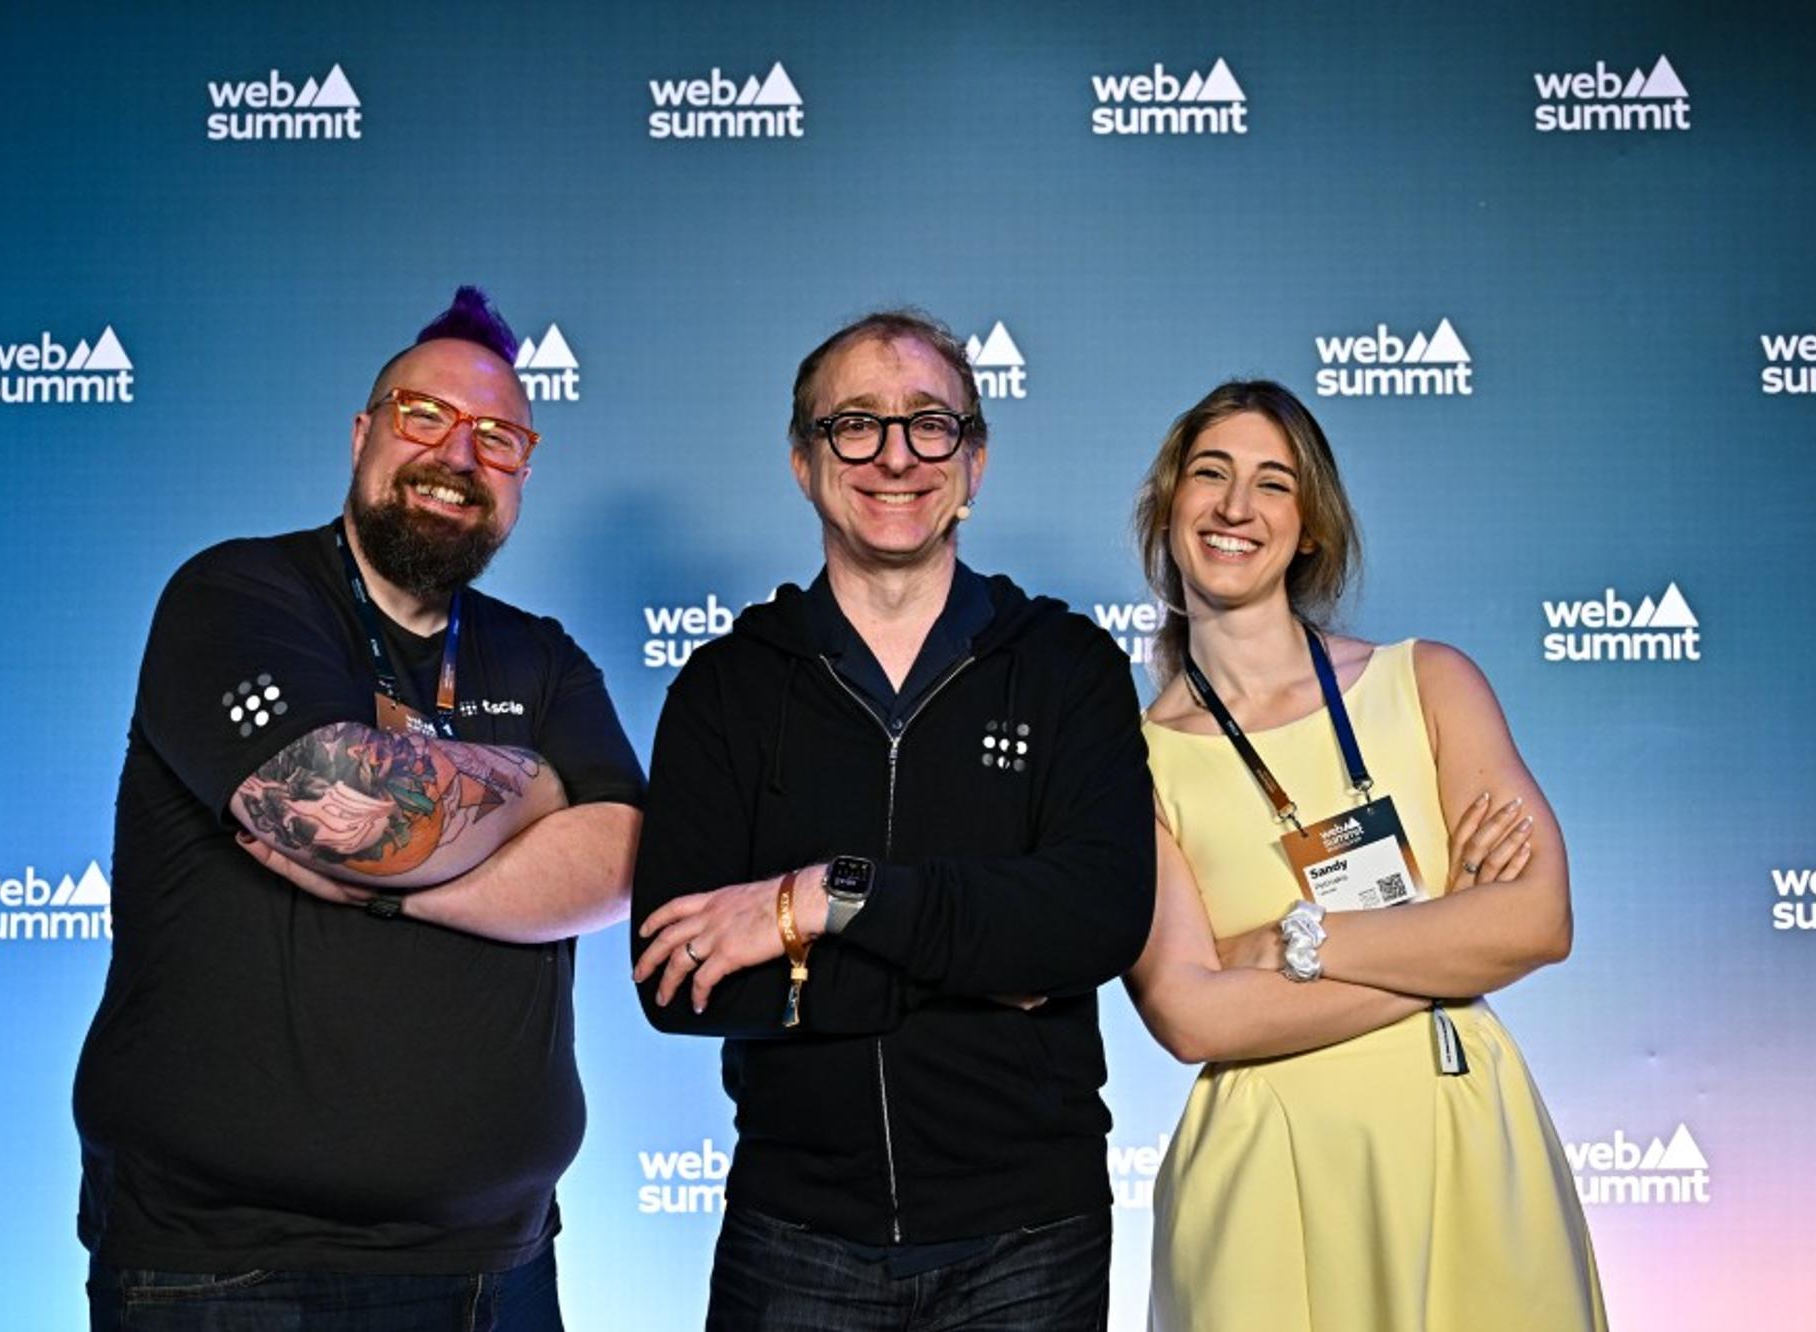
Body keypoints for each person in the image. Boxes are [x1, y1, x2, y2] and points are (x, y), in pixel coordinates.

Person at [73, 287, 645, 1330]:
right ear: (362, 433)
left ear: (523, 471)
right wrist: (537, 786)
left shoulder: (543, 654)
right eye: (422, 416)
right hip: (230, 1273)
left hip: (496, 1265)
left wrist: (396, 897)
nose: (457, 456)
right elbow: (345, 803)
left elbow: (617, 857)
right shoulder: (235, 596)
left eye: (498, 438)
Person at [629, 309, 1154, 1329]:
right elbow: (675, 981)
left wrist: (818, 901)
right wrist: (972, 965)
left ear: (973, 461)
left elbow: (1092, 921)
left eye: (929, 424)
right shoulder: (726, 687)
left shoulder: (1066, 668)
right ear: (802, 460)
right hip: (794, 1239)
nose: (894, 456)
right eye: (855, 424)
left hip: (1029, 1243)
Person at [1124, 380, 1606, 1331]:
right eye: (1210, 474)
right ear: (1169, 504)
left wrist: (1299, 940)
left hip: (1461, 1138)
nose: (1235, 507)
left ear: (1309, 528)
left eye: (1273, 484)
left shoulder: (1429, 682)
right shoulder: (1126, 763)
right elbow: (1189, 1015)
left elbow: (1538, 921)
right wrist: (1446, 944)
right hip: (1265, 1174)